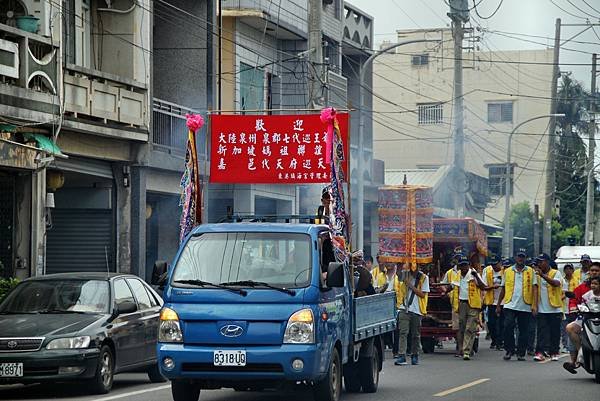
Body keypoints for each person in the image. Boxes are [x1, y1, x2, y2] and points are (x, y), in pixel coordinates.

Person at [497, 250, 538, 361]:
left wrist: (534, 305)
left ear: (525, 258)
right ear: (515, 257)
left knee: (523, 330)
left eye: (523, 257)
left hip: (525, 305)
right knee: (508, 326)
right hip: (510, 304)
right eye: (519, 256)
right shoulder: (508, 271)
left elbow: (535, 288)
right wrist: (498, 304)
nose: (521, 259)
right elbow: (503, 288)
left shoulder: (531, 271)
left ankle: (521, 352)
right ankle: (509, 350)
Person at [563, 262, 600, 373]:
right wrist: (574, 307)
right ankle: (578, 358)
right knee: (570, 328)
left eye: (597, 270)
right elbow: (574, 299)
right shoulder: (583, 287)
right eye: (592, 270)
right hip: (586, 318)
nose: (594, 272)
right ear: (589, 272)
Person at [394, 265, 430, 366]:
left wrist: (410, 286)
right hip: (403, 308)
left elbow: (423, 294)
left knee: (415, 335)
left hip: (417, 310)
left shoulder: (424, 278)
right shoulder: (405, 274)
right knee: (403, 332)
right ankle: (401, 355)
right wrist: (400, 264)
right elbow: (397, 274)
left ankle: (415, 355)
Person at [453, 255, 486, 360]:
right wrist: (445, 291)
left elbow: (483, 286)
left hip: (473, 305)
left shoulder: (473, 274)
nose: (464, 267)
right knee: (462, 327)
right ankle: (464, 348)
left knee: (469, 328)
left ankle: (466, 351)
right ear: (459, 266)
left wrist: (476, 276)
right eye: (462, 265)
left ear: (468, 265)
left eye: (465, 265)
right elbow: (452, 285)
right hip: (462, 304)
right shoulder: (457, 275)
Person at [532, 254, 563, 362]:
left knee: (555, 332)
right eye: (538, 262)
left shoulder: (556, 273)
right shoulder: (536, 274)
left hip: (555, 308)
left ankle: (554, 352)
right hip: (542, 308)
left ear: (548, 261)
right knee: (541, 331)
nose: (540, 264)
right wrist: (535, 306)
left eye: (542, 261)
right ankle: (539, 352)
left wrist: (543, 276)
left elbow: (556, 284)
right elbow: (535, 289)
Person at [482, 255, 505, 350]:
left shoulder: (506, 271)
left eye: (495, 264)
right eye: (492, 264)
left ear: (500, 263)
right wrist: (492, 287)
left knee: (502, 323)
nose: (494, 266)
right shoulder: (487, 271)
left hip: (504, 301)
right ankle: (494, 340)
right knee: (491, 323)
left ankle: (500, 342)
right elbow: (483, 286)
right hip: (491, 301)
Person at [561, 264, 577, 353]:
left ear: (573, 270)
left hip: (573, 308)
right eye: (566, 269)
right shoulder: (562, 280)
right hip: (563, 307)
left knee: (572, 328)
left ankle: (572, 345)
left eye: (570, 268)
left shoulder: (576, 280)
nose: (568, 270)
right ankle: (565, 345)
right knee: (564, 329)